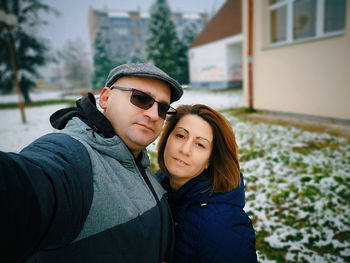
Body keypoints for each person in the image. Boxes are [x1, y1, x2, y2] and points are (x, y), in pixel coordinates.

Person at [0, 63, 183, 263]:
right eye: (140, 98)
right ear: (105, 98)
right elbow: (24, 187)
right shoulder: (72, 156)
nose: (154, 115)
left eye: (163, 108)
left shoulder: (142, 166)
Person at [156, 104, 258, 263]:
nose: (185, 149)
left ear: (209, 160)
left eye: (200, 144)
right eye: (180, 136)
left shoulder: (222, 223)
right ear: (167, 138)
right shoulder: (155, 187)